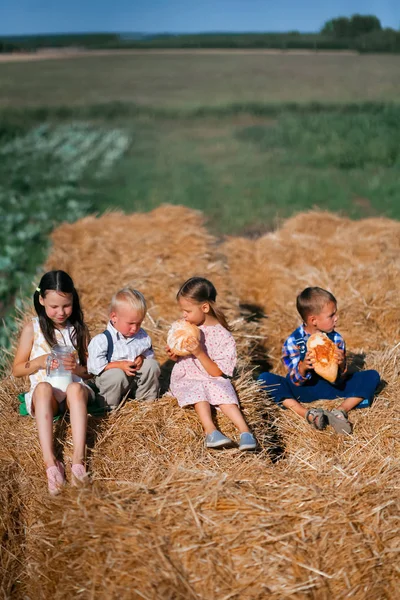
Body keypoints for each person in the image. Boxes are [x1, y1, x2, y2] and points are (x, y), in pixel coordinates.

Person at [12, 270, 94, 495]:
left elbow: (90, 372)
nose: (61, 312)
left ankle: (78, 461)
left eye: (66, 306)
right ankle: (51, 464)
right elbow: (17, 369)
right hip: (46, 398)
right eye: (54, 307)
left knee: (76, 387)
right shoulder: (33, 329)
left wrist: (77, 369)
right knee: (42, 388)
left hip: (72, 394)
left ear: (73, 300)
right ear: (41, 300)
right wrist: (39, 361)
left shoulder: (78, 329)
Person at [258, 287, 380, 434]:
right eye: (331, 315)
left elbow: (339, 379)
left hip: (333, 388)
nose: (336, 318)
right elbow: (294, 380)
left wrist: (342, 364)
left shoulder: (336, 339)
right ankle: (307, 413)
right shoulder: (292, 341)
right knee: (265, 378)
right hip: (304, 390)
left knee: (372, 375)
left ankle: (341, 411)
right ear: (313, 320)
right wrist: (302, 368)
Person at [167, 277, 257, 450]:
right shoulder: (187, 328)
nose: (183, 315)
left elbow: (217, 373)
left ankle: (246, 432)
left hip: (212, 376)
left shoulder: (224, 337)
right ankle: (211, 431)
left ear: (205, 308)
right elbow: (182, 357)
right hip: (188, 377)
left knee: (223, 390)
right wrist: (175, 354)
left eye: (187, 311)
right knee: (198, 390)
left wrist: (199, 352)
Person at [87, 288, 160, 410]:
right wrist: (119, 365)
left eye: (139, 323)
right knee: (116, 375)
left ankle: (146, 401)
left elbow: (149, 353)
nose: (135, 328)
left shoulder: (142, 336)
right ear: (114, 317)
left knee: (151, 365)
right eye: (130, 323)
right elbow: (94, 366)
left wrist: (142, 357)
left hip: (133, 381)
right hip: (112, 383)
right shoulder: (102, 340)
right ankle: (108, 407)